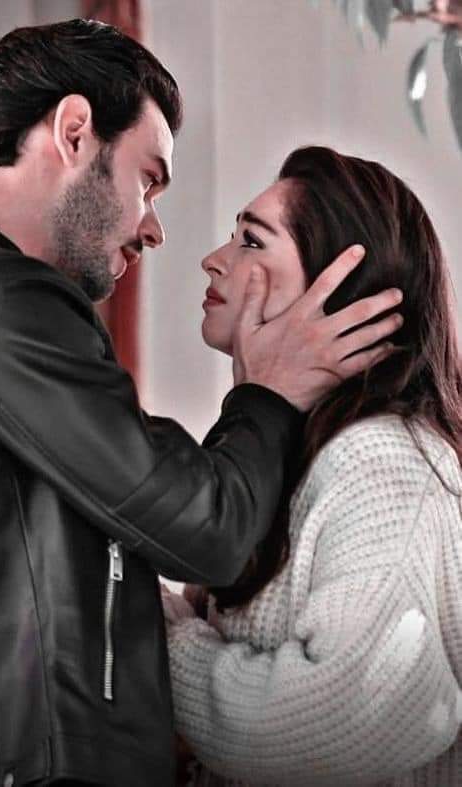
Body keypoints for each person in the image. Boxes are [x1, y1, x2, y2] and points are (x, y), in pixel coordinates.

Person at [0, 19, 402, 787]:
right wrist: (269, 392)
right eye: (149, 179)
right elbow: (203, 528)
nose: (155, 227)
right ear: (73, 132)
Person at [163, 145, 462, 787]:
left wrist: (159, 640)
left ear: (339, 292)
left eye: (251, 241)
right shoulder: (290, 451)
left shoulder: (383, 463)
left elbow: (361, 712)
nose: (214, 259)